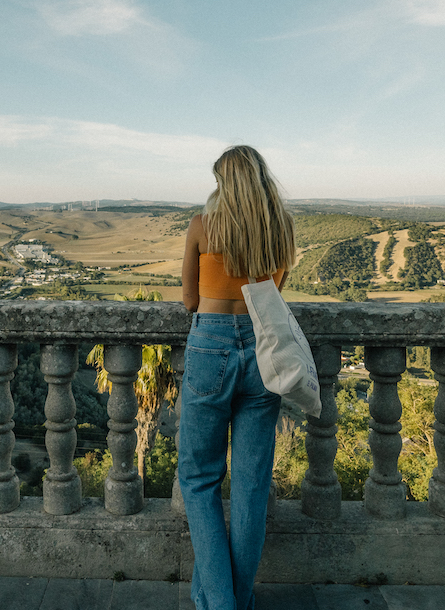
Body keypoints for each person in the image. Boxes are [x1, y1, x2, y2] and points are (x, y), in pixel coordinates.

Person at [178, 145, 295, 610]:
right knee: (250, 487)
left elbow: (189, 300)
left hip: (210, 345)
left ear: (223, 182)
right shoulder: (280, 229)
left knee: (199, 478)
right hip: (262, 351)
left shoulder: (203, 226)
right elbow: (273, 296)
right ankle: (235, 601)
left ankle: (219, 603)